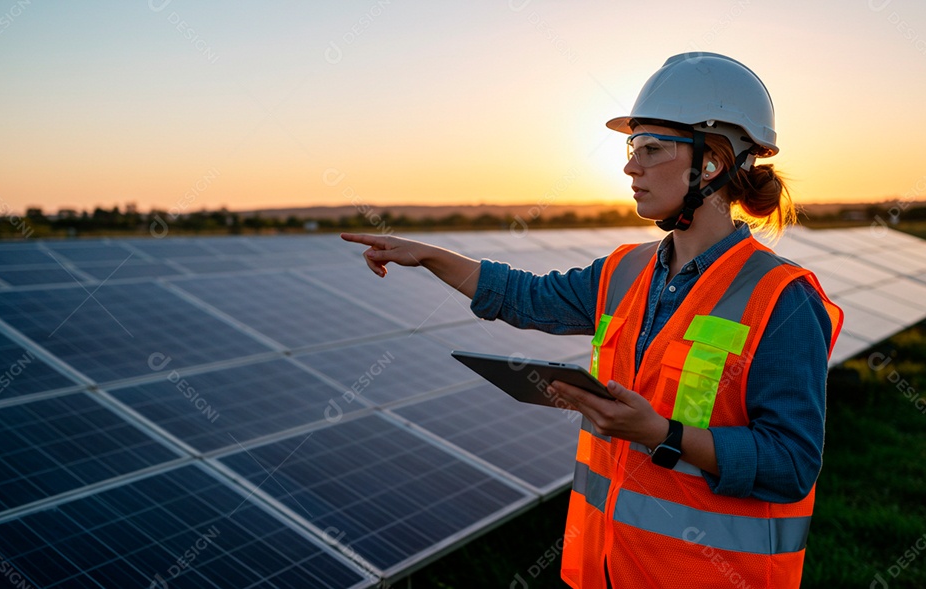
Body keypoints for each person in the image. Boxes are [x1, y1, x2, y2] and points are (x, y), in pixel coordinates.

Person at [342, 52, 842, 588]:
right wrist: (429, 256)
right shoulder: (623, 271)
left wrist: (662, 434)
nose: (631, 167)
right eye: (632, 149)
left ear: (712, 163)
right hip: (606, 571)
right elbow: (525, 297)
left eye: (651, 148)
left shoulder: (782, 298)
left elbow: (791, 465)